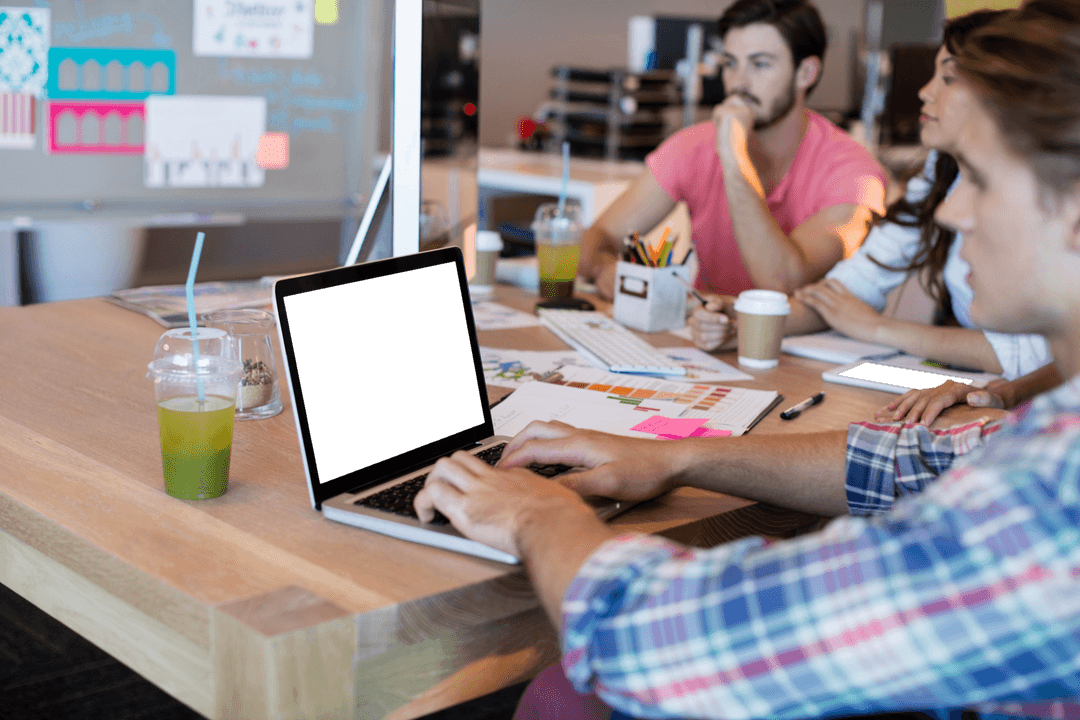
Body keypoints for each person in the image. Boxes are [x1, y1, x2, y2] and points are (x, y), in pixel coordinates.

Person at [415, 3, 1080, 717]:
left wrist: (537, 516)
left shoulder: (1050, 503)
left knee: (552, 695)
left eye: (981, 178)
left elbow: (658, 642)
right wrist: (676, 457)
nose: (951, 211)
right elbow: (907, 462)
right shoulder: (1047, 444)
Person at [690, 9, 1057, 423]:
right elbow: (846, 292)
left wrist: (875, 328)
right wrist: (744, 319)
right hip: (994, 398)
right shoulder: (940, 172)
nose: (925, 91)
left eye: (948, 77)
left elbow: (1034, 352)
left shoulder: (1043, 191)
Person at [577, 0, 886, 302]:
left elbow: (781, 281)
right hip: (705, 327)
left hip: (799, 336)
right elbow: (598, 236)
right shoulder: (694, 145)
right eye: (730, 63)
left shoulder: (855, 173)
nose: (739, 82)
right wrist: (607, 268)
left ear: (806, 73)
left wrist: (734, 156)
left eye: (760, 64)